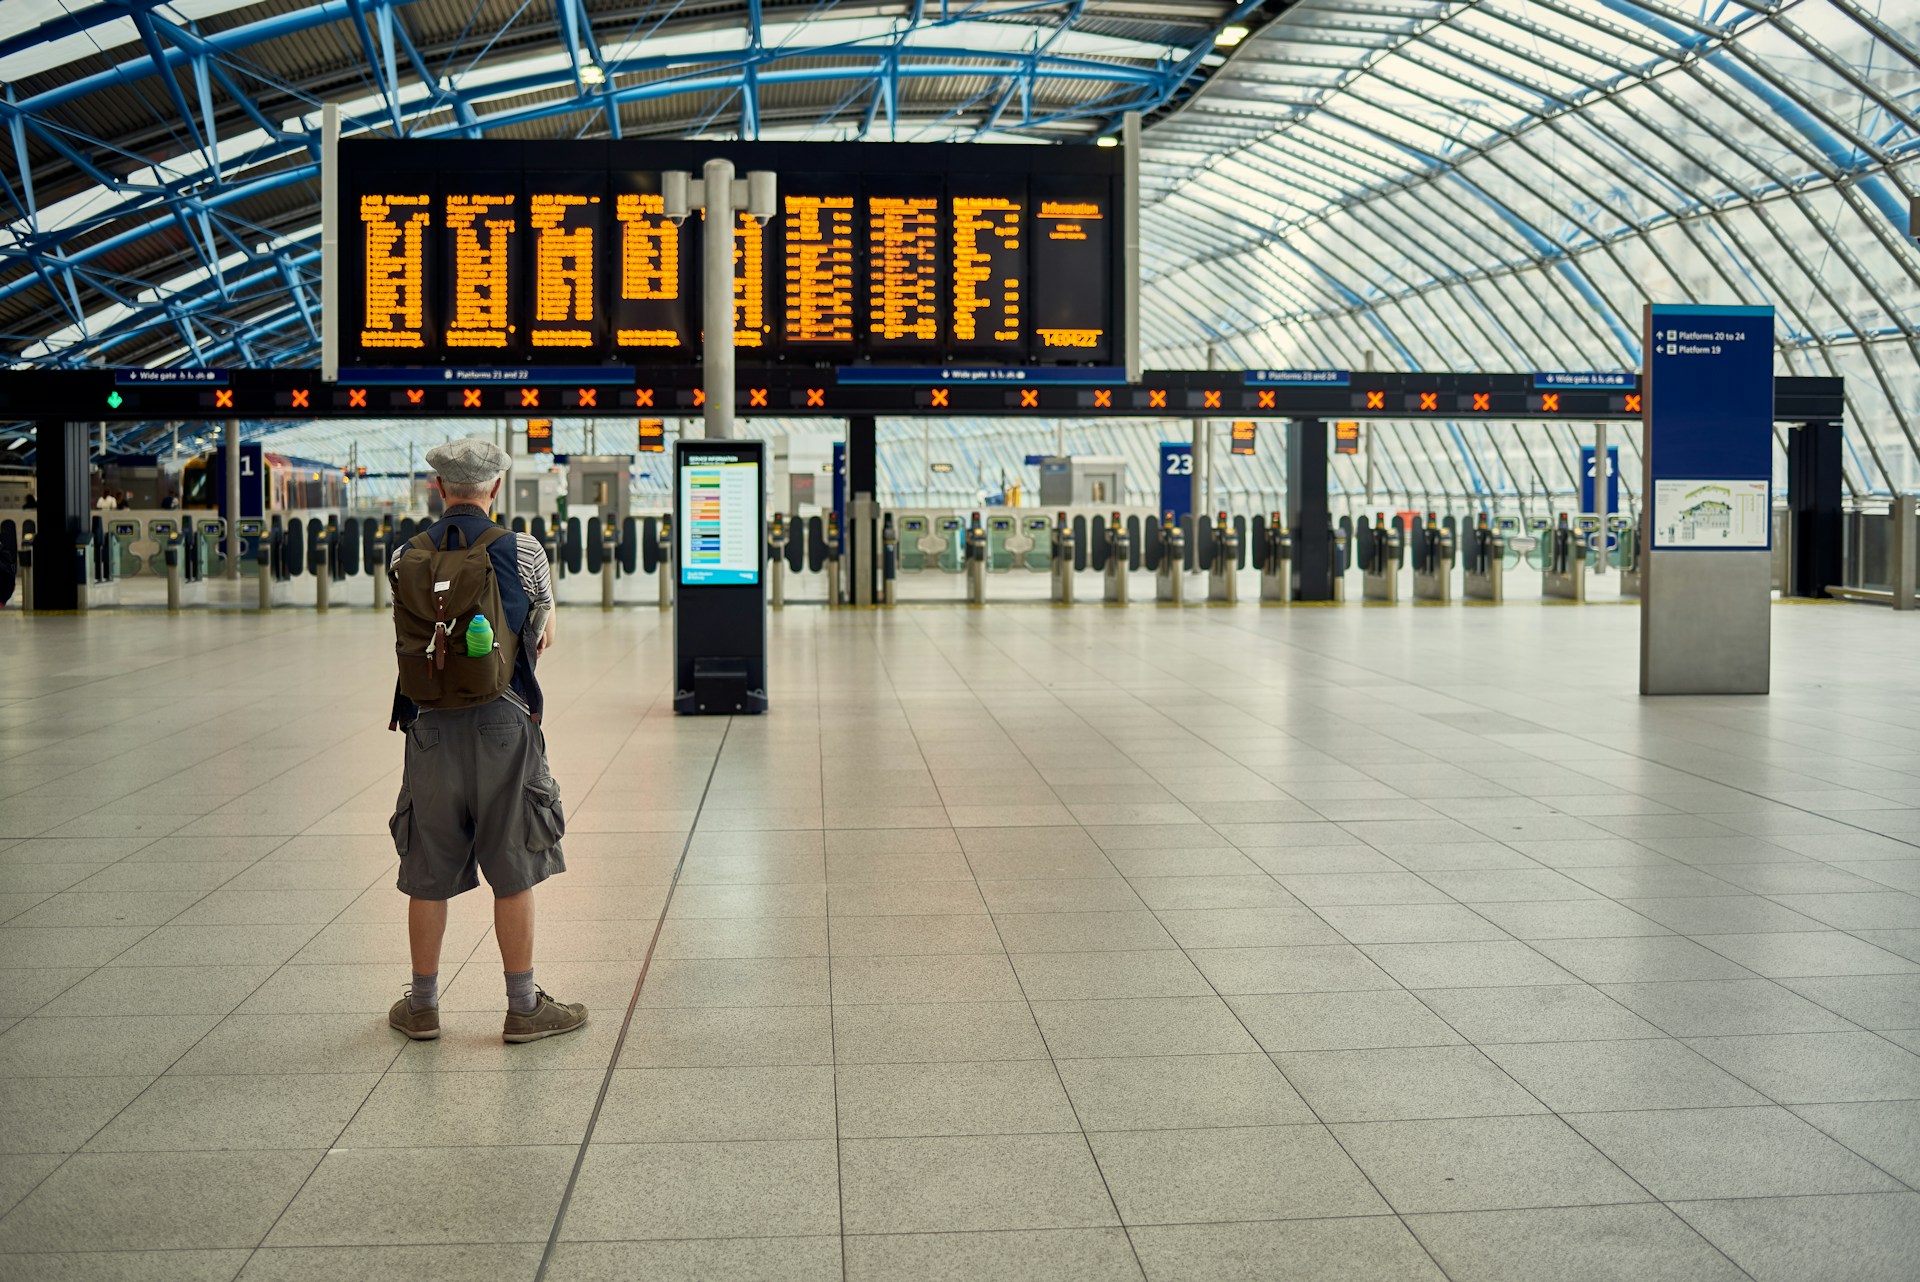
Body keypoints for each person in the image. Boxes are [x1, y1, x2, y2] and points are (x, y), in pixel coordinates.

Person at [384, 437, 585, 1044]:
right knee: (514, 861)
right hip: (505, 722)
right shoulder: (523, 551)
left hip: (428, 726)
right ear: (495, 489)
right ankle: (523, 1007)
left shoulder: (404, 555)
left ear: (439, 489)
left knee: (428, 865)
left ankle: (422, 1006)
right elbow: (541, 632)